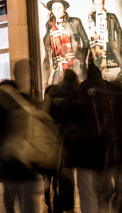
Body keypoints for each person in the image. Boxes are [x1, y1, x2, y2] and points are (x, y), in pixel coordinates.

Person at [64, 63, 122, 213]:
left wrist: (69, 153)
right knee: (105, 196)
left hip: (84, 157)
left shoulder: (78, 92)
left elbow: (68, 123)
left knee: (87, 196)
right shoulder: (111, 90)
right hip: (107, 154)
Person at [0, 59, 43, 213]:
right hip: (21, 166)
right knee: (26, 205)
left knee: (12, 203)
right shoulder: (30, 102)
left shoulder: (0, 99)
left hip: (11, 166)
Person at [42, 69, 78, 213]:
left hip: (51, 139)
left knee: (50, 175)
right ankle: (66, 206)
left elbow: (44, 116)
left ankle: (49, 204)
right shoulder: (76, 95)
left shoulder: (52, 93)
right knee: (66, 176)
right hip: (68, 141)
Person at [42, 0, 89, 86]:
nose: (57, 11)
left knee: (77, 89)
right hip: (58, 65)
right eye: (54, 8)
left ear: (64, 8)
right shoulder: (50, 25)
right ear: (51, 10)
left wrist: (82, 61)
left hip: (75, 63)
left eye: (60, 8)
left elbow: (86, 41)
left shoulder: (75, 21)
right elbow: (47, 45)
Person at [85, 0, 122, 83]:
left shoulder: (111, 16)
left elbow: (119, 30)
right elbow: (90, 35)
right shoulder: (90, 17)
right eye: (96, 4)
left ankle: (115, 85)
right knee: (97, 73)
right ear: (93, 4)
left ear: (103, 4)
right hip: (97, 48)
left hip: (111, 46)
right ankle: (103, 89)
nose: (98, 6)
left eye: (100, 4)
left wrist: (118, 44)